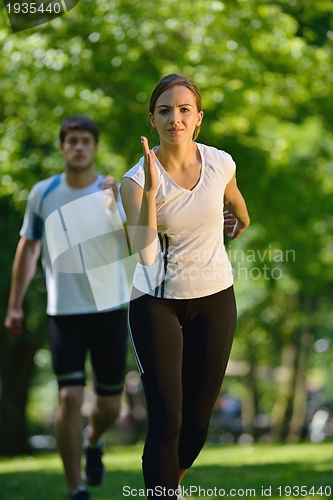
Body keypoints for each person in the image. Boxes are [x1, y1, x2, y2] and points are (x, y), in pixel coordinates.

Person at [121, 74, 250, 499]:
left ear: (198, 119)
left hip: (215, 299)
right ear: (152, 119)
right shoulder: (136, 181)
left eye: (183, 110)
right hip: (157, 303)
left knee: (196, 424)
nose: (174, 117)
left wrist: (238, 220)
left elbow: (234, 201)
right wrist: (155, 190)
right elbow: (144, 254)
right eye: (164, 110)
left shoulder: (220, 162)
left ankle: (168, 489)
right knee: (167, 420)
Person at [5, 115, 128, 500]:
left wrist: (118, 202)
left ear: (94, 148)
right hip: (64, 313)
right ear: (62, 147)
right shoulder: (43, 193)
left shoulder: (113, 190)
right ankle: (75, 486)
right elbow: (28, 247)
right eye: (71, 140)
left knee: (108, 405)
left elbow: (135, 241)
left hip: (110, 309)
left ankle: (94, 439)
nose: (78, 147)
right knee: (69, 397)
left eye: (85, 141)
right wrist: (15, 304)